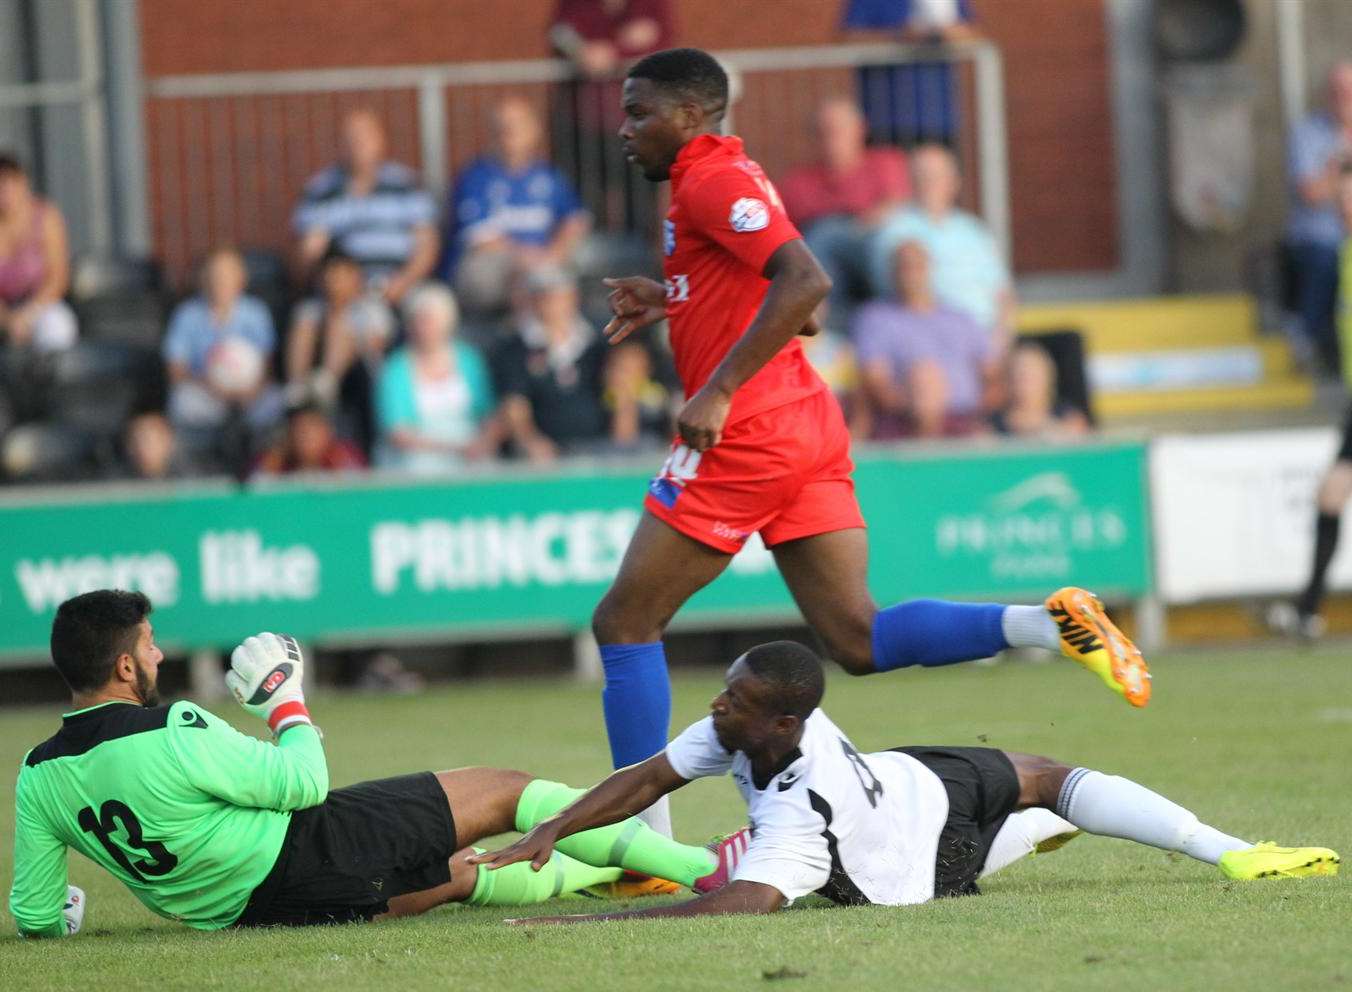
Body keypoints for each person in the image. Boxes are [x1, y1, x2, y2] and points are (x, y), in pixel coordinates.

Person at [591, 48, 1148, 840]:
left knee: (624, 623)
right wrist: (677, 298)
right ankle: (1047, 622)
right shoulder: (727, 175)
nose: (625, 129)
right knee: (857, 634)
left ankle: (641, 845)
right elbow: (797, 309)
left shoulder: (711, 181)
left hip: (750, 429)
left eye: (639, 112)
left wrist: (716, 386)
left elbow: (808, 285)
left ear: (689, 115)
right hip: (806, 422)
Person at [7, 590, 740, 936]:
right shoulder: (172, 726)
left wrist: (65, 917)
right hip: (306, 852)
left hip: (245, 916)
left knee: (460, 875)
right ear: (128, 667)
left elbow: (36, 914)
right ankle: (705, 871)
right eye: (152, 643)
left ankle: (623, 871)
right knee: (508, 792)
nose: (161, 652)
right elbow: (303, 784)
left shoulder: (37, 776)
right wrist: (285, 703)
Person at [472, 640, 1339, 924]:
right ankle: (1039, 831)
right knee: (1043, 799)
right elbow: (646, 778)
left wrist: (605, 920)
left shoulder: (795, 808)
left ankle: (1231, 852)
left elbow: (741, 908)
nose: (715, 706)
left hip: (908, 818)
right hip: (911, 817)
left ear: (785, 723)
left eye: (732, 699)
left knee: (1048, 775)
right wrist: (553, 830)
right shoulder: (753, 731)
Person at [1267, 164, 1352, 641]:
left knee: (1332, 492)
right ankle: (1308, 609)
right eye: (1341, 200)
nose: (1345, 208)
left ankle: (1307, 608)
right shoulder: (1341, 253)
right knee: (1331, 494)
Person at [442, 96, 590, 315]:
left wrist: (553, 254)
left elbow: (575, 220)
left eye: (517, 124)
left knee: (577, 260)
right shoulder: (475, 176)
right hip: (494, 272)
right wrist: (530, 259)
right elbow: (480, 239)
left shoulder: (549, 175)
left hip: (543, 263)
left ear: (535, 130)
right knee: (525, 275)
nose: (509, 131)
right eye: (502, 125)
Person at [778, 98, 910, 332]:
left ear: (861, 129)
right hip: (829, 269)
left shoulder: (885, 163)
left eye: (838, 129)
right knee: (819, 240)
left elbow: (895, 209)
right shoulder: (798, 182)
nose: (831, 138)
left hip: (873, 254)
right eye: (823, 131)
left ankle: (898, 317)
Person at [869, 143, 1013, 351]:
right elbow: (891, 288)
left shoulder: (974, 230)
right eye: (921, 176)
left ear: (954, 182)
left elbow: (1003, 293)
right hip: (928, 340)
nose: (928, 183)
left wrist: (1000, 340)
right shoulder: (894, 229)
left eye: (936, 176)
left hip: (985, 337)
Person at [548, 0, 674, 235]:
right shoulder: (574, 5)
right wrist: (583, 53)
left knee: (640, 210)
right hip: (584, 124)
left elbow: (659, 44)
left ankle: (641, 264)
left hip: (641, 126)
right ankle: (590, 268)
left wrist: (613, 52)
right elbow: (560, 34)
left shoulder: (651, 5)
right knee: (585, 207)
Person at [292, 109, 439, 304]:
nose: (358, 145)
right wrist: (310, 255)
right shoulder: (320, 192)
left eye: (364, 137)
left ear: (381, 140)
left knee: (431, 306)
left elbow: (427, 246)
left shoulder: (406, 185)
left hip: (403, 287)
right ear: (339, 144)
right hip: (340, 295)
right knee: (309, 316)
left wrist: (403, 283)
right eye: (351, 139)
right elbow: (301, 262)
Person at [851, 239, 994, 439]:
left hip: (967, 423)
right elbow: (876, 382)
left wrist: (978, 415)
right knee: (925, 377)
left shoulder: (960, 318)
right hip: (904, 425)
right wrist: (924, 407)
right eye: (904, 267)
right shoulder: (876, 318)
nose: (910, 274)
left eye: (916, 266)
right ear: (892, 273)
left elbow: (992, 377)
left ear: (929, 268)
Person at [163, 247, 284, 451]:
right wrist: (210, 386)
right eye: (214, 275)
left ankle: (262, 460)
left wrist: (252, 390)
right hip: (206, 392)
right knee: (181, 401)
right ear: (202, 279)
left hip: (249, 393)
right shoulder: (186, 314)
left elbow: (267, 364)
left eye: (227, 275)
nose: (220, 282)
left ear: (241, 279)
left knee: (274, 402)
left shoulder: (256, 312)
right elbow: (176, 370)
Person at [373, 283, 498, 474]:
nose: (423, 328)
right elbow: (396, 432)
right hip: (415, 457)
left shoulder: (469, 359)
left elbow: (487, 413)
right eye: (418, 320)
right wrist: (453, 448)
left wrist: (484, 442)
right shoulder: (396, 368)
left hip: (469, 452)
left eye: (429, 320)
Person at [493, 265, 612, 461]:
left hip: (598, 446)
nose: (551, 303)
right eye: (543, 297)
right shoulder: (514, 347)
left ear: (573, 298)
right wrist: (530, 441)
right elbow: (514, 404)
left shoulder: (596, 342)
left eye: (557, 296)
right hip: (543, 452)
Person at [285, 249, 394, 451]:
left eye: (341, 276)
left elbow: (376, 347)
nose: (334, 282)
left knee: (340, 326)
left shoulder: (372, 308)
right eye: (330, 276)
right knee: (307, 323)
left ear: (355, 278)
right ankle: (297, 386)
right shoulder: (310, 309)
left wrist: (340, 318)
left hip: (361, 377)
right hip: (312, 376)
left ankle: (327, 381)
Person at [1283, 62, 1352, 372]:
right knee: (1325, 258)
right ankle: (1307, 338)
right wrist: (1338, 170)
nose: (1344, 100)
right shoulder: (1308, 133)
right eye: (1338, 93)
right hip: (1320, 238)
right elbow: (1311, 193)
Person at [841, 0, 980, 147]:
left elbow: (974, 35)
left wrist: (944, 33)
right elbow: (849, 38)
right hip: (885, 121)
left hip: (938, 119)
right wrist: (900, 37)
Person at [0, 153, 77, 352]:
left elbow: (59, 277)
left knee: (57, 328)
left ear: (23, 183)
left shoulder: (46, 217)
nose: (5, 194)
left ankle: (51, 382)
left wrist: (28, 314)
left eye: (10, 184)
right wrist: (8, 320)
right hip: (4, 310)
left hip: (40, 305)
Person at [991, 340, 1089, 439]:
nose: (1023, 382)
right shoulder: (989, 427)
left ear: (1047, 376)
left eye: (1031, 375)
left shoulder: (1071, 420)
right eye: (1017, 375)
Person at [252, 398, 367, 477]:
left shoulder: (344, 457)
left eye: (311, 427)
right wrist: (271, 465)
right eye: (298, 428)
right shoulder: (277, 461)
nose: (304, 435)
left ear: (326, 431)